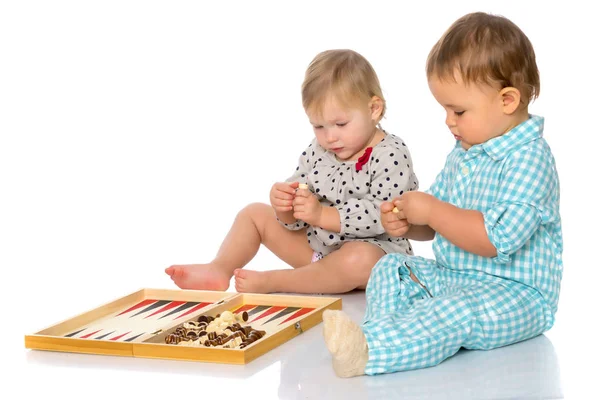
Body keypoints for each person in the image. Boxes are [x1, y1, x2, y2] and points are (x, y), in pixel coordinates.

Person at [322, 12, 563, 377]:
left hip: (516, 295)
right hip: (456, 278)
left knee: (457, 312)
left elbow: (494, 240)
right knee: (392, 267)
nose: (448, 120)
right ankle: (382, 335)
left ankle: (375, 350)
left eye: (458, 110)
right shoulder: (466, 151)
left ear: (508, 100)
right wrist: (409, 221)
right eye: (445, 109)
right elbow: (433, 226)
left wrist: (432, 211)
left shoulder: (530, 158)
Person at [165, 49, 419, 294]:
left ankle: (277, 281)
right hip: (320, 252)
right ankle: (219, 269)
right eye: (318, 125)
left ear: (374, 109)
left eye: (341, 124)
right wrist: (285, 207)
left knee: (360, 259)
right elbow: (299, 200)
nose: (330, 137)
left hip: (372, 254)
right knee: (253, 214)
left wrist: (321, 215)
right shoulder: (320, 149)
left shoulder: (391, 153)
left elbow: (381, 215)